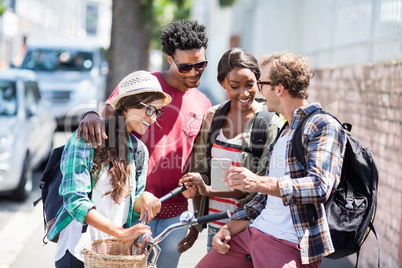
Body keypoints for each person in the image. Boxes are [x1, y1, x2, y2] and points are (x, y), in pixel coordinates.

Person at [77, 19, 211, 268]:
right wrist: (89, 115)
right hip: (131, 208)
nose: (194, 72)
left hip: (176, 214)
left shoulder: (204, 103)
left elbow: (199, 163)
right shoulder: (144, 84)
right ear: (170, 59)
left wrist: (196, 220)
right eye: (186, 67)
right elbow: (108, 115)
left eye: (200, 64)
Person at [195, 51, 347, 268]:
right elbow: (263, 199)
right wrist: (229, 228)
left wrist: (258, 182)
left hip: (288, 244)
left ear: (279, 88)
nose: (257, 89)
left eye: (261, 83)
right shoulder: (285, 129)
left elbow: (319, 186)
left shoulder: (323, 125)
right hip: (252, 232)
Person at [48, 70, 171, 267]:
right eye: (150, 110)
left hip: (114, 254)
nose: (153, 119)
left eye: (157, 112)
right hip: (78, 251)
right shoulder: (87, 138)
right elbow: (74, 200)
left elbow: (129, 208)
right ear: (128, 104)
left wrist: (145, 198)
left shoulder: (139, 150)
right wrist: (120, 233)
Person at [179, 48, 283, 252]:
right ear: (222, 83)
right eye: (235, 86)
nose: (244, 93)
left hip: (253, 231)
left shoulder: (271, 123)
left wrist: (208, 189)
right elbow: (202, 170)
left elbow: (261, 187)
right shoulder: (213, 116)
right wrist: (197, 224)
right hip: (216, 229)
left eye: (250, 85)